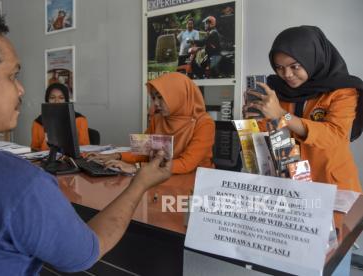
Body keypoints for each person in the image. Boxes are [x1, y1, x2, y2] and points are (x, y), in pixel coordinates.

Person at [0, 6, 171, 275]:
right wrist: (140, 184)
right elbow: (86, 252)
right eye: (12, 76)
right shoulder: (17, 184)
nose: (20, 89)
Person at [244, 25, 363, 192]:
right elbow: (271, 136)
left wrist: (281, 115)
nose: (287, 74)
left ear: (312, 58)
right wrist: (254, 119)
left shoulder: (343, 91)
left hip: (331, 185)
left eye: (295, 66)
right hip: (289, 184)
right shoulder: (276, 91)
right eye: (279, 67)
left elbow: (334, 135)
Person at [87, 72, 215, 175]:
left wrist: (136, 167)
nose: (156, 104)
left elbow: (186, 164)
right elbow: (142, 151)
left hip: (194, 181)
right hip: (158, 176)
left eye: (160, 97)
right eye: (154, 98)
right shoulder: (157, 119)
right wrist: (115, 156)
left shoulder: (204, 123)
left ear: (178, 95)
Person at [31, 83, 90, 151]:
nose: (56, 101)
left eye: (61, 98)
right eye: (52, 98)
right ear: (47, 100)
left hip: (72, 160)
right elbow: (34, 149)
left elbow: (85, 148)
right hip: (46, 160)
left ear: (66, 100)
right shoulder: (38, 123)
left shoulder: (79, 120)